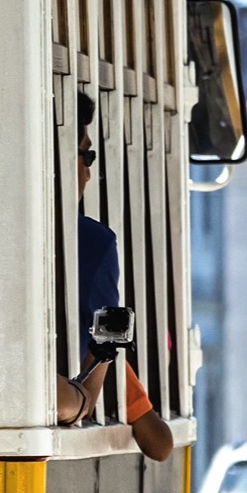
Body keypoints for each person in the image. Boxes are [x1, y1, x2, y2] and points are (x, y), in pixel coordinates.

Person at [56, 94, 174, 460]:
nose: (89, 172)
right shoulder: (90, 244)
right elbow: (160, 445)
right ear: (58, 158)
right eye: (86, 156)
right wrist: (105, 358)